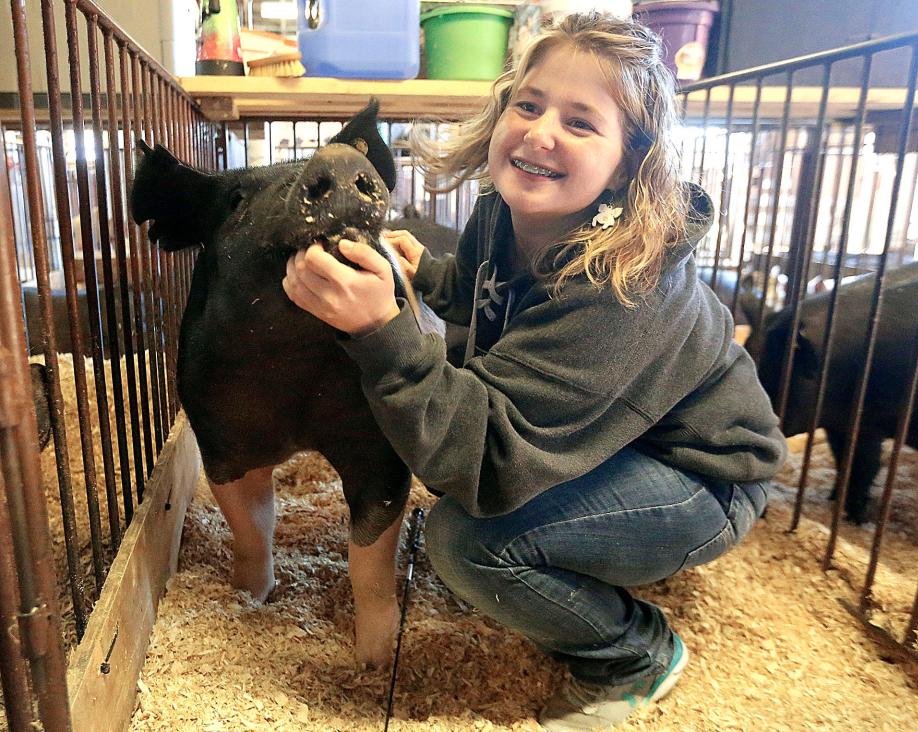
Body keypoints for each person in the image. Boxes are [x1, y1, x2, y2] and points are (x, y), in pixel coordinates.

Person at [282, 12, 787, 732]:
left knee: (468, 544)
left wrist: (378, 331)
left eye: (581, 122)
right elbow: (493, 290)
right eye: (528, 103)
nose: (539, 132)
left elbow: (482, 463)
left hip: (700, 474)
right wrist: (431, 276)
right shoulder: (504, 209)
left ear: (629, 160)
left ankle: (634, 653)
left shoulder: (622, 290)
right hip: (607, 433)